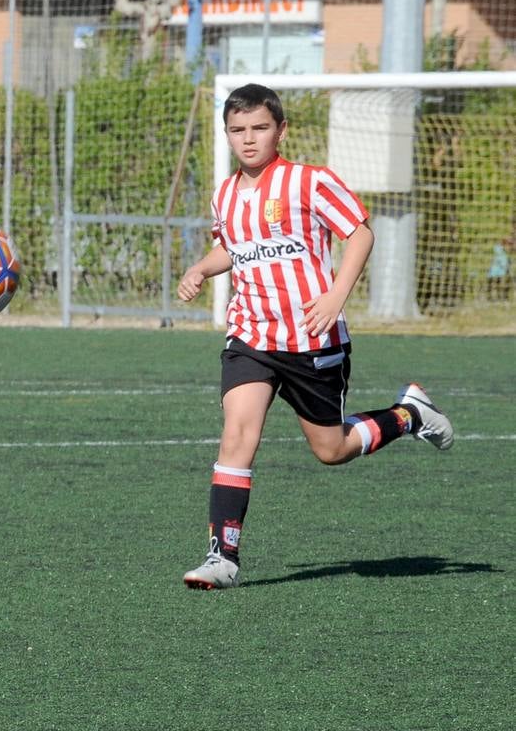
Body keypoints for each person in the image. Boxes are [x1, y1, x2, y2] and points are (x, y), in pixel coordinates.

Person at [175, 83, 453, 591]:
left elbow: (361, 233)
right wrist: (201, 267)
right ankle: (223, 558)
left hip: (311, 339)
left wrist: (335, 296)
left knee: (332, 449)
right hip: (251, 334)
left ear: (280, 129)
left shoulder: (310, 182)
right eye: (238, 130)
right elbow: (234, 249)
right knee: (238, 433)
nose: (249, 139)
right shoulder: (224, 194)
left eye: (259, 128)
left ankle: (410, 415)